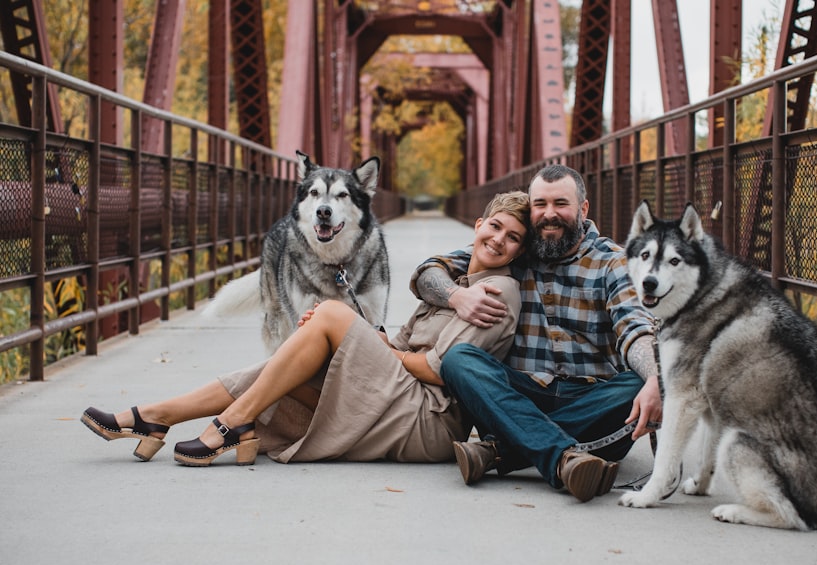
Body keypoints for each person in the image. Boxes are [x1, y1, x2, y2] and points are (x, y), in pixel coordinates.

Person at [80, 191, 531, 466]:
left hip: (429, 419)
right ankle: (158, 417)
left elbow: (441, 370)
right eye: (495, 227)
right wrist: (360, 343)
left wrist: (354, 336)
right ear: (477, 225)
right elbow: (402, 344)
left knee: (333, 315)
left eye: (512, 238)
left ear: (518, 250)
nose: (498, 239)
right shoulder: (450, 281)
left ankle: (233, 423)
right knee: (299, 358)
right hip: (400, 397)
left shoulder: (498, 294)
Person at [411, 164, 662, 503]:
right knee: (459, 360)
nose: (549, 214)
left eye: (561, 203)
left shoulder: (613, 262)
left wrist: (655, 378)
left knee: (635, 384)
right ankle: (563, 459)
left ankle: (502, 450)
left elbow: (634, 328)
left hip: (592, 402)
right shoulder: (517, 248)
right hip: (520, 392)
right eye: (540, 204)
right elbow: (428, 271)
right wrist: (457, 296)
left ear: (583, 209)